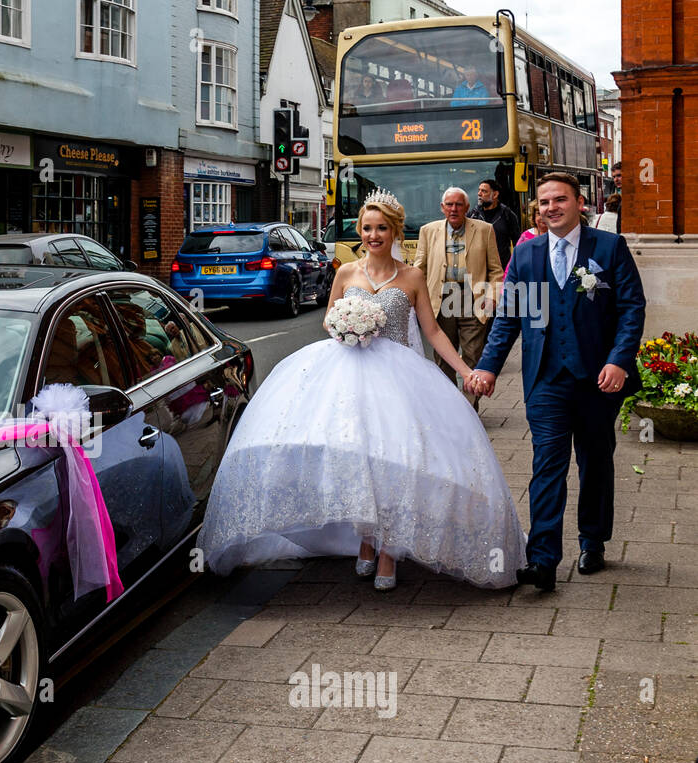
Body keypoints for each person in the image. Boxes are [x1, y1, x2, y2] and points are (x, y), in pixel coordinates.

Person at [199, 190, 524, 592]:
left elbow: (434, 331)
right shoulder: (346, 273)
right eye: (367, 228)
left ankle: (388, 548)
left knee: (394, 460)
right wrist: (349, 326)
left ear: (395, 231)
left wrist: (467, 370)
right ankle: (367, 540)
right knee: (359, 460)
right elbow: (327, 320)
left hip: (398, 379)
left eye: (381, 228)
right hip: (346, 373)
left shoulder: (412, 277)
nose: (373, 235)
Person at [468, 172, 646, 591]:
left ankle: (593, 540)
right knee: (546, 465)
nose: (552, 207)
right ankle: (543, 559)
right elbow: (508, 317)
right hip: (546, 378)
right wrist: (489, 367)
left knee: (595, 461)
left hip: (598, 379)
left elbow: (632, 308)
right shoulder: (526, 254)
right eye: (545, 202)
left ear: (579, 203)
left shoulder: (609, 247)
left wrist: (620, 360)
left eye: (560, 200)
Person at [413, 187, 504, 409]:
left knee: (473, 355)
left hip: (473, 300)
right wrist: (415, 298)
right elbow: (419, 269)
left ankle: (469, 408)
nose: (454, 209)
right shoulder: (428, 231)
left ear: (466, 207)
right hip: (440, 300)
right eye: (449, 205)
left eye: (458, 204)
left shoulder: (484, 230)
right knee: (444, 358)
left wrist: (492, 297)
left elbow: (496, 271)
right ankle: (450, 408)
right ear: (442, 208)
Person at [470, 179, 521, 268]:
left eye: (484, 191)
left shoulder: (508, 215)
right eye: (479, 190)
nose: (479, 194)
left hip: (501, 268)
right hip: (477, 268)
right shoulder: (473, 214)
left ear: (495, 194)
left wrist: (514, 267)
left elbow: (518, 243)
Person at [506, 200, 547, 279]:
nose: (542, 217)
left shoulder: (558, 236)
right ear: (534, 216)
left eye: (545, 213)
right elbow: (513, 264)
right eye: (538, 213)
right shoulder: (525, 236)